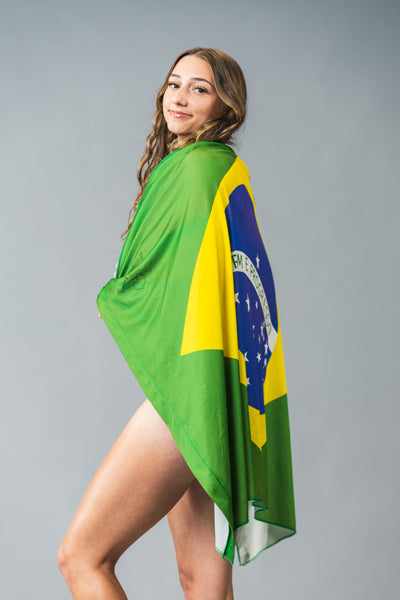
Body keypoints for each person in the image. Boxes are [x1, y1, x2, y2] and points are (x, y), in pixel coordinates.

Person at [57, 47, 295, 600]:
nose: (181, 97)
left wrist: (117, 293)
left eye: (200, 88)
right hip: (220, 387)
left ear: (226, 106)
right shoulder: (224, 170)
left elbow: (167, 275)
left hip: (193, 390)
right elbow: (218, 280)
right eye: (174, 84)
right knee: (201, 581)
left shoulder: (196, 169)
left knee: (82, 558)